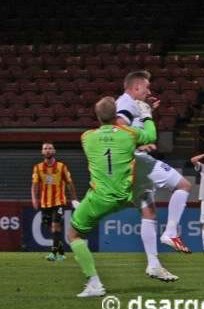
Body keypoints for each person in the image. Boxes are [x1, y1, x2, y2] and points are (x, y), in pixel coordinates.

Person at [68, 96, 178, 298]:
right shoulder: (129, 134)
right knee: (147, 209)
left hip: (100, 198)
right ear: (116, 114)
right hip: (126, 196)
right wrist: (146, 114)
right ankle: (153, 262)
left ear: (97, 116)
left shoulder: (86, 137)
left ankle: (94, 283)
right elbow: (151, 135)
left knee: (74, 235)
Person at [115, 70, 193, 260]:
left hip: (130, 161)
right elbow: (118, 127)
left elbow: (132, 125)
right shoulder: (125, 103)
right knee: (183, 185)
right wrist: (137, 145)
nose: (149, 91)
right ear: (136, 87)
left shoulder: (130, 104)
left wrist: (147, 110)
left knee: (148, 213)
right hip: (137, 159)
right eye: (147, 87)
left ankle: (153, 264)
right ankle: (171, 233)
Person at [31, 141, 79, 261]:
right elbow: (34, 185)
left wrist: (74, 199)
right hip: (45, 203)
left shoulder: (62, 167)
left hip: (59, 202)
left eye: (50, 148)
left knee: (55, 226)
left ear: (54, 151)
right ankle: (61, 253)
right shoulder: (38, 167)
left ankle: (53, 254)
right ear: (42, 152)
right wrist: (34, 199)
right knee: (53, 229)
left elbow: (69, 183)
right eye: (45, 148)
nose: (47, 150)